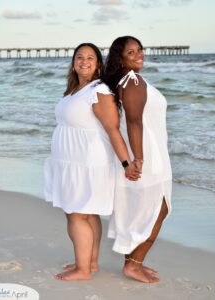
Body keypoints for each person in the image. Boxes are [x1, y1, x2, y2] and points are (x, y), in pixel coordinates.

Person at [44, 43, 140, 281]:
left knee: (77, 214)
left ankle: (82, 269)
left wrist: (127, 163)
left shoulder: (99, 91)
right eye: (79, 57)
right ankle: (90, 263)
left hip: (87, 162)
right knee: (87, 214)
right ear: (73, 61)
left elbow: (113, 130)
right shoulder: (76, 89)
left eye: (90, 58)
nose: (84, 61)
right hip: (71, 160)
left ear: (98, 64)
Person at [102, 36, 172, 283]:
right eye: (131, 52)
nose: (139, 54)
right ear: (120, 58)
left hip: (146, 151)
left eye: (139, 50)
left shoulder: (126, 80)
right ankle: (134, 264)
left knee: (142, 209)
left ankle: (133, 262)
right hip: (147, 155)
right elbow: (133, 121)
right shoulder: (132, 80)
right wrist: (139, 159)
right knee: (158, 209)